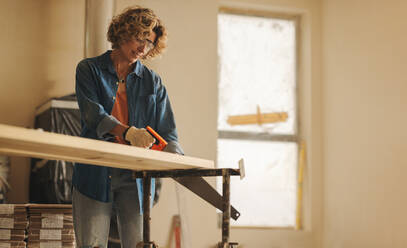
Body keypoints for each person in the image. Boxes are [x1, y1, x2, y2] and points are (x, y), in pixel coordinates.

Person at [72, 6, 183, 248]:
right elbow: (93, 115)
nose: (143, 48)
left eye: (150, 44)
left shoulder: (153, 82)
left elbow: (168, 131)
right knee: (92, 244)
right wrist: (128, 132)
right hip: (95, 170)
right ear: (124, 32)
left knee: (137, 244)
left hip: (136, 177)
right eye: (140, 38)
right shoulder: (88, 69)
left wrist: (175, 157)